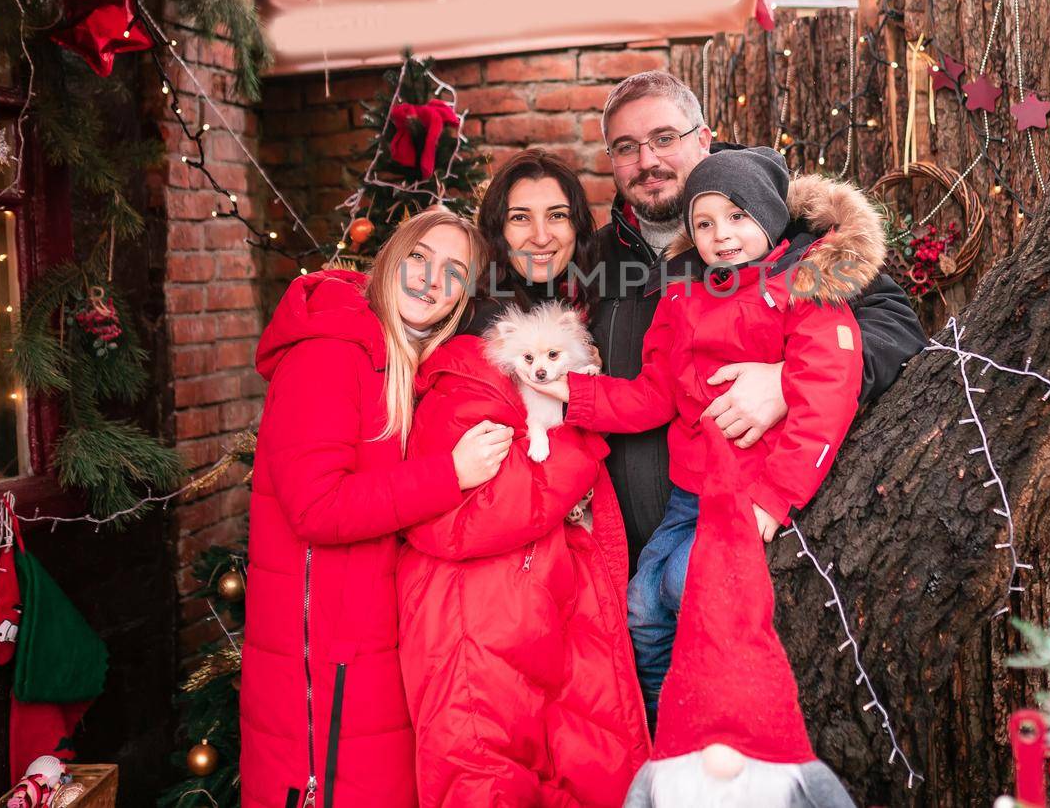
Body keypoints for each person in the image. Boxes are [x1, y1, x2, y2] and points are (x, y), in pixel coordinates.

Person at [542, 147, 884, 721]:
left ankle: (709, 721)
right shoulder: (683, 295)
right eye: (704, 223)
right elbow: (656, 392)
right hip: (687, 491)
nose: (721, 235)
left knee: (681, 587)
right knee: (641, 606)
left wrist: (775, 499)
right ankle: (662, 727)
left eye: (737, 216)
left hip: (749, 489)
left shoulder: (805, 287)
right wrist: (575, 394)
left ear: (771, 217)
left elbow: (825, 399)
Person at [589, 71, 926, 567]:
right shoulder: (595, 259)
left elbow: (896, 325)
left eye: (664, 138)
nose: (647, 161)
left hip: (759, 534)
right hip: (640, 555)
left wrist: (787, 383)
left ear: (702, 138)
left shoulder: (786, 227)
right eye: (625, 147)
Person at [396, 150, 650, 808]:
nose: (541, 233)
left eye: (558, 215)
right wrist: (582, 425)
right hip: (484, 607)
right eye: (520, 217)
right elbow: (478, 509)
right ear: (495, 234)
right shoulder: (475, 349)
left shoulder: (570, 315)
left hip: (541, 592)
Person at [241, 210, 516, 808]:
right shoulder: (330, 355)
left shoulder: (396, 362)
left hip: (370, 643)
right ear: (391, 258)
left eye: (453, 272)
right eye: (419, 257)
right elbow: (316, 506)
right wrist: (451, 474)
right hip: (324, 662)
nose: (429, 280)